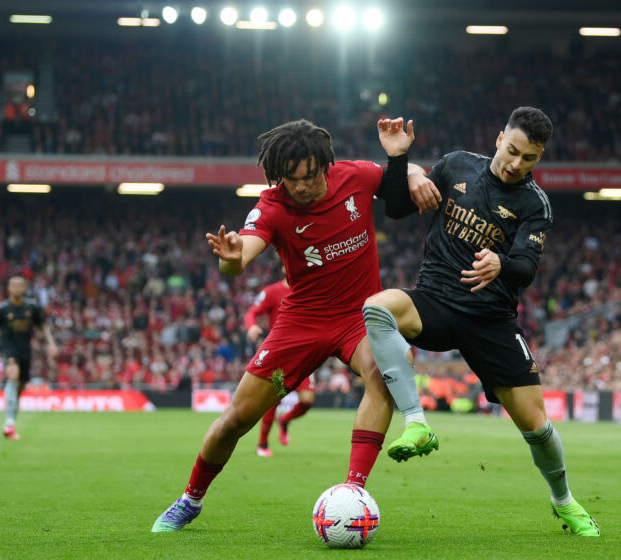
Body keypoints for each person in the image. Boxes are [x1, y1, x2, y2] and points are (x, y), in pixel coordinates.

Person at [152, 116, 432, 532]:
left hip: (359, 317)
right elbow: (243, 252)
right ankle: (190, 500)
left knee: (381, 374)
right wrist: (230, 259)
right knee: (236, 419)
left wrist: (409, 168)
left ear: (324, 165)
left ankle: (353, 493)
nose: (299, 186)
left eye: (308, 176)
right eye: (289, 178)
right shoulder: (273, 206)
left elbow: (397, 175)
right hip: (302, 322)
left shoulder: (353, 176)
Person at [362, 106, 600, 536]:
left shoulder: (534, 203)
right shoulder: (455, 166)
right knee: (378, 307)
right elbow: (396, 208)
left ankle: (563, 501)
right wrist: (404, 165)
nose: (516, 164)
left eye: (529, 158)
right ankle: (417, 423)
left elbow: (526, 268)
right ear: (498, 138)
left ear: (539, 156)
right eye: (512, 151)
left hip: (490, 320)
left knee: (536, 425)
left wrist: (500, 263)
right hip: (432, 301)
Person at [0, 275, 57, 440]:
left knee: (19, 386)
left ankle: (11, 417)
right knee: (13, 375)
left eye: (20, 285)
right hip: (8, 350)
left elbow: (42, 326)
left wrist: (51, 343)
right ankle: (9, 424)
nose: (17, 288)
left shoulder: (32, 308)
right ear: (9, 289)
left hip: (26, 352)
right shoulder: (1, 309)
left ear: (24, 288)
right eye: (14, 286)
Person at [244, 272, 317, 457]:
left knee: (307, 400)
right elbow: (252, 312)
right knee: (273, 399)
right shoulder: (272, 291)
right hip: (280, 356)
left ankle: (284, 421)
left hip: (304, 355)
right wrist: (252, 326)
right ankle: (262, 443)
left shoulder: (309, 290)